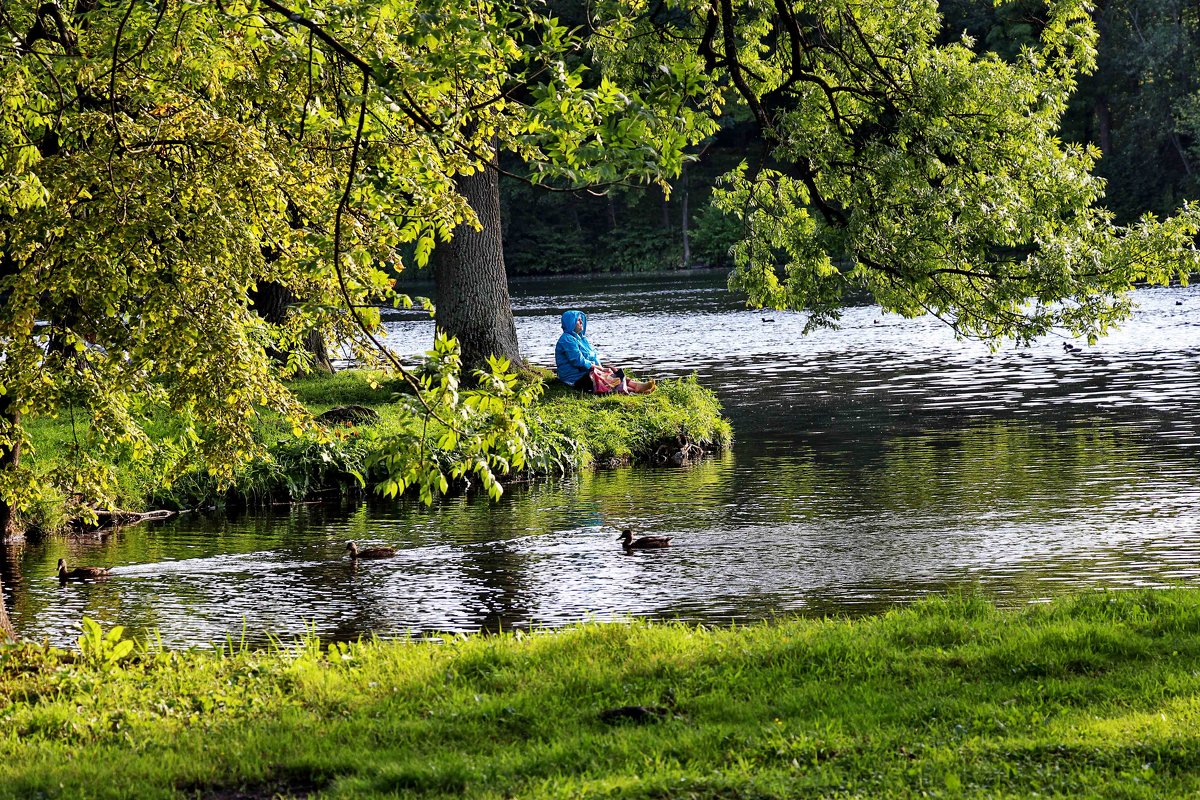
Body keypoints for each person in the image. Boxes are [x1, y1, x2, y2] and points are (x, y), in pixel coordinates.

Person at [555, 310, 655, 394]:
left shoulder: (580, 338)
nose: (581, 322)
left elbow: (592, 356)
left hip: (583, 372)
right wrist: (598, 368)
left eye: (581, 319)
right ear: (570, 322)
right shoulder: (567, 339)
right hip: (574, 377)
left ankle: (635, 386)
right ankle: (634, 390)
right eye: (578, 320)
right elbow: (578, 361)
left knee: (611, 370)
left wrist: (601, 368)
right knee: (602, 378)